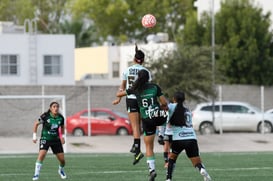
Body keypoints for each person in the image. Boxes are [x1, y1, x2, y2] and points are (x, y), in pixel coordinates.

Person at [113, 69, 168, 181]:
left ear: (138, 78)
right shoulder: (155, 87)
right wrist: (161, 106)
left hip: (147, 120)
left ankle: (152, 170)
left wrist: (121, 93)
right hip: (157, 116)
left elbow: (118, 94)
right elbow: (164, 103)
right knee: (164, 113)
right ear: (148, 78)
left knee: (149, 146)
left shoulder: (135, 89)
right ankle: (162, 134)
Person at [113, 44, 152, 165]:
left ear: (134, 59)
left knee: (135, 126)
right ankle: (141, 150)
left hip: (130, 98)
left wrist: (118, 98)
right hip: (143, 99)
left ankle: (137, 148)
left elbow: (122, 86)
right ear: (143, 60)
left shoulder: (127, 70)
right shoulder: (146, 71)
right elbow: (148, 87)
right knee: (143, 126)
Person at [165, 91, 211, 181]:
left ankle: (168, 178)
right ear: (184, 99)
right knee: (196, 160)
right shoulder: (187, 109)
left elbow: (163, 105)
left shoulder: (171, 106)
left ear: (174, 99)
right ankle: (201, 169)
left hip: (178, 138)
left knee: (172, 158)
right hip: (191, 138)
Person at [32, 101, 67, 180]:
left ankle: (61, 169)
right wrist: (34, 136)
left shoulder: (61, 118)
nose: (56, 108)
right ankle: (36, 174)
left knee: (62, 161)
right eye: (54, 107)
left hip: (56, 140)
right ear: (50, 108)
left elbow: (62, 127)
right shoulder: (45, 116)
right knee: (42, 155)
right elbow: (36, 124)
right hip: (45, 138)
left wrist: (62, 136)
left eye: (57, 107)